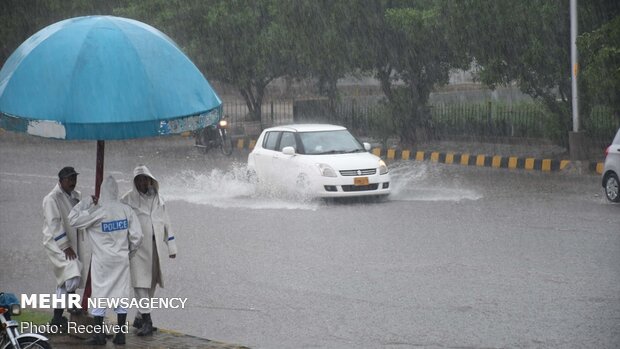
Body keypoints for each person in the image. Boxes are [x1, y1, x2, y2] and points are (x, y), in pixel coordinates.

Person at [68, 175, 143, 345]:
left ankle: (99, 335)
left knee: (100, 296)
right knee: (121, 296)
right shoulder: (126, 210)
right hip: (121, 260)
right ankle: (121, 335)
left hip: (102, 262)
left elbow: (73, 219)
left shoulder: (98, 211)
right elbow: (138, 237)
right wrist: (129, 252)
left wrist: (87, 201)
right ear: (116, 191)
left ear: (102, 192)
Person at [121, 165, 177, 336]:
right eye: (138, 180)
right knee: (139, 284)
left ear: (150, 180)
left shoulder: (159, 199)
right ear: (134, 182)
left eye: (145, 179)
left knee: (151, 283)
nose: (142, 182)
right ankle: (147, 320)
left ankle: (139, 316)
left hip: (155, 247)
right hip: (136, 249)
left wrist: (171, 245)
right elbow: (121, 223)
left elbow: (166, 222)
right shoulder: (127, 200)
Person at [42, 166, 89, 327]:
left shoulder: (77, 196)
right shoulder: (51, 198)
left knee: (63, 280)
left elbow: (82, 214)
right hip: (56, 242)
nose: (73, 182)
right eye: (69, 179)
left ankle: (57, 319)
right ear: (60, 181)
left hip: (71, 240)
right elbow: (54, 223)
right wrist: (65, 245)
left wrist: (92, 203)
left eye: (74, 178)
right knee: (72, 271)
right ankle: (72, 303)